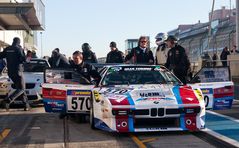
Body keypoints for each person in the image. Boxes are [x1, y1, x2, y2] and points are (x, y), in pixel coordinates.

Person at [0, 37, 30, 111]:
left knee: (20, 88)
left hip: (10, 72)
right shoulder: (18, 49)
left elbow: (1, 55)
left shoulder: (7, 49)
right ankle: (7, 100)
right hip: (18, 72)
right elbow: (24, 60)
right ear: (19, 42)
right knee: (22, 88)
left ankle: (26, 105)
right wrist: (28, 56)